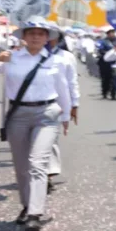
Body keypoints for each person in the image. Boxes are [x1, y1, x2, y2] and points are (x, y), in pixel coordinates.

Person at [0, 20, 72, 231]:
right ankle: (27, 205)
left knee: (38, 163)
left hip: (46, 114)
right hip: (17, 115)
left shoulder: (56, 60)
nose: (36, 37)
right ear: (24, 36)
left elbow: (63, 89)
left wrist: (66, 115)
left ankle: (35, 214)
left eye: (41, 33)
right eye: (31, 33)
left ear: (47, 38)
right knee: (22, 167)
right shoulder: (11, 57)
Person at [45, 23, 80, 194]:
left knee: (50, 139)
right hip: (33, 103)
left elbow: (72, 82)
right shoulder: (31, 55)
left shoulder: (66, 57)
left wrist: (74, 104)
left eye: (52, 35)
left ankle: (47, 175)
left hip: (57, 104)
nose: (48, 38)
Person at [96, 27, 116, 99]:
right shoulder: (103, 41)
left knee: (115, 78)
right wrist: (110, 52)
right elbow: (100, 50)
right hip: (105, 63)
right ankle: (105, 92)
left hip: (115, 63)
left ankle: (113, 94)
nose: (111, 34)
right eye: (110, 33)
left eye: (113, 33)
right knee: (106, 79)